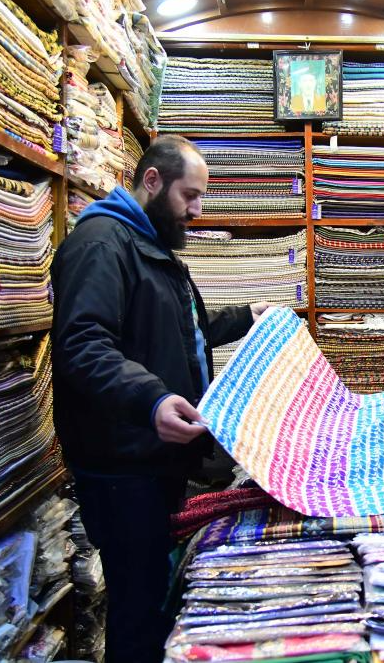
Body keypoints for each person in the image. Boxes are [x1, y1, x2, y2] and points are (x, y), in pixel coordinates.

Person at [51, 135, 270, 662]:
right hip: (123, 467)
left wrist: (245, 318)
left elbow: (176, 330)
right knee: (139, 609)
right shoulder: (103, 244)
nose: (197, 211)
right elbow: (82, 344)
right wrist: (151, 401)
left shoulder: (146, 244)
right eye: (189, 196)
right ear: (152, 180)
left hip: (150, 462)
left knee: (152, 597)